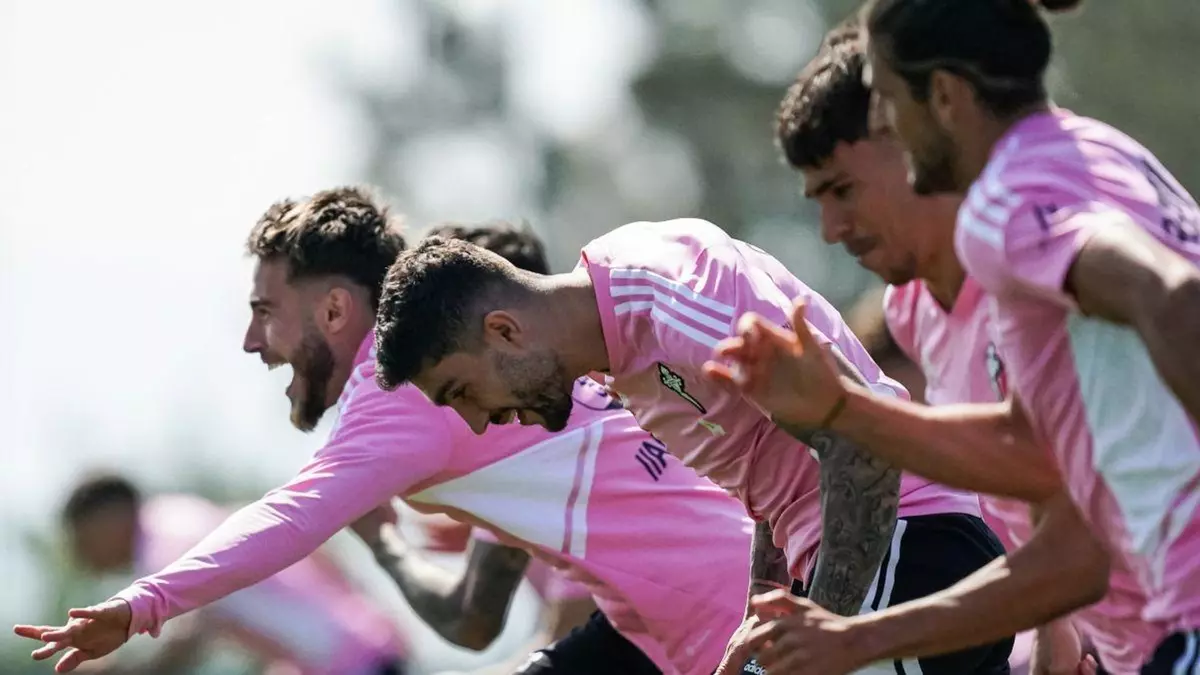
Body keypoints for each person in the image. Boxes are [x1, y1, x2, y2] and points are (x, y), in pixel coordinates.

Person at [13, 188, 754, 675]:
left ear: (335, 311)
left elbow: (291, 516)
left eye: (266, 311)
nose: (250, 340)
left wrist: (142, 604)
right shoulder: (435, 373)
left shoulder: (396, 393)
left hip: (720, 610)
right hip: (665, 617)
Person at [708, 1, 1200, 672]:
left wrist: (844, 413)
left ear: (942, 98)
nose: (887, 123)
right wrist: (844, 410)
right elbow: (1040, 465)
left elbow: (1172, 296)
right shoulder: (1099, 151)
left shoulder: (1005, 201)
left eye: (887, 103)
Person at [369, 210, 1016, 674]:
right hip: (879, 561)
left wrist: (828, 632)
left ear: (505, 331)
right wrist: (764, 615)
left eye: (461, 390)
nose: (477, 422)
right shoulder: (617, 348)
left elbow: (862, 446)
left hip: (912, 551)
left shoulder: (675, 299)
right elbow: (773, 482)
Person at [59, 474, 408, 675]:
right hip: (359, 643)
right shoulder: (181, 516)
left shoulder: (162, 543)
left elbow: (194, 627)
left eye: (83, 541)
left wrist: (119, 670)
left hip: (350, 660)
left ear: (107, 520)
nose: (84, 559)